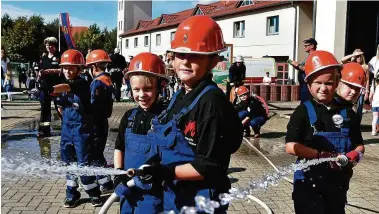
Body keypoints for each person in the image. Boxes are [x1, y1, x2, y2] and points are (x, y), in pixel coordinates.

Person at [136, 15, 243, 213]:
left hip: (201, 199)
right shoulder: (180, 94)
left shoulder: (211, 103)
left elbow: (209, 165)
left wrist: (167, 172)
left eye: (195, 56)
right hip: (176, 194)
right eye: (180, 55)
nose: (185, 62)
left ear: (212, 60)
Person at [285, 50, 365, 214]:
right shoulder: (303, 112)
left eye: (328, 83)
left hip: (337, 185)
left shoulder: (348, 113)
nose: (323, 88)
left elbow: (359, 146)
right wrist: (321, 156)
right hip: (308, 184)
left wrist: (354, 157)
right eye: (318, 83)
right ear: (309, 84)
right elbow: (291, 146)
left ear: (336, 83)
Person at [43, 49, 102, 208]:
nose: (68, 71)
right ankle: (72, 194)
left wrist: (48, 88)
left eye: (71, 67)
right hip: (67, 131)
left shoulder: (81, 83)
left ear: (79, 69)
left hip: (82, 131)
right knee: (68, 164)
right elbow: (60, 108)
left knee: (83, 164)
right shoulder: (64, 85)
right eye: (65, 67)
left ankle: (94, 193)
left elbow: (63, 88)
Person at [113, 52, 170, 213]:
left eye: (148, 89)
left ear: (161, 86)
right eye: (136, 89)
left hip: (152, 194)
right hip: (128, 189)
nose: (141, 95)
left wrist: (158, 171)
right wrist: (118, 172)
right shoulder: (129, 116)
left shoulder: (166, 118)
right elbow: (119, 147)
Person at [86, 49, 114, 193]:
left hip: (96, 123)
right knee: (98, 152)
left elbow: (92, 104)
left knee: (94, 153)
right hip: (103, 121)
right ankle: (105, 181)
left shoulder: (97, 83)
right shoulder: (108, 79)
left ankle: (105, 182)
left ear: (94, 66)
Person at [38, 36, 63, 138]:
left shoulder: (60, 56)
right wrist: (39, 73)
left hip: (57, 87)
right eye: (47, 45)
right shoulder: (43, 57)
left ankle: (67, 129)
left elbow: (63, 70)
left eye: (50, 45)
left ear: (55, 46)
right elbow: (40, 69)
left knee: (60, 108)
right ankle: (44, 131)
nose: (48, 46)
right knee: (45, 110)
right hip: (45, 87)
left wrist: (51, 71)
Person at [289, 38, 318, 103]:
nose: (304, 47)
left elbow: (308, 68)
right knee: (304, 102)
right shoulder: (309, 56)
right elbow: (303, 69)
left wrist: (297, 65)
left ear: (312, 46)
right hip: (304, 84)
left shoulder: (314, 56)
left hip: (308, 85)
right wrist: (296, 66)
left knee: (306, 102)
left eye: (306, 46)